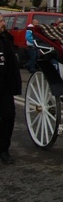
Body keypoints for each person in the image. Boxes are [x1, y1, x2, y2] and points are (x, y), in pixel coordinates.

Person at [0, 14, 22, 164]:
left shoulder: (6, 39)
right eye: (0, 21)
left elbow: (12, 63)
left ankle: (3, 150)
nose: (3, 23)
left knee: (8, 115)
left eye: (2, 20)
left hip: (4, 86)